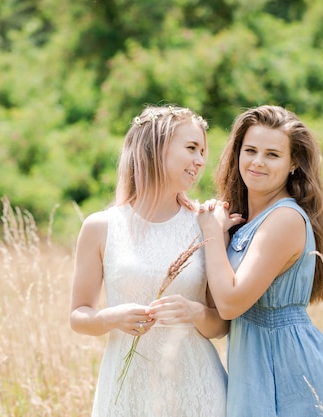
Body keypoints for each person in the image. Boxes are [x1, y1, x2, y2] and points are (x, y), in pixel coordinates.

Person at [197, 105, 323, 416]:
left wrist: (212, 236)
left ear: (293, 163)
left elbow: (230, 304)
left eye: (272, 154)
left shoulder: (284, 218)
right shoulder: (245, 222)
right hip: (255, 373)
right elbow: (218, 309)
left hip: (294, 378)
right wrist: (222, 237)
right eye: (250, 150)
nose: (257, 162)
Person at [70, 105, 228, 417]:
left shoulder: (206, 223)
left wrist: (194, 311)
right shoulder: (101, 226)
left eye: (203, 151)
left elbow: (220, 325)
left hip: (197, 389)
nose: (200, 160)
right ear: (156, 147)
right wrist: (111, 317)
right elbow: (78, 315)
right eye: (191, 148)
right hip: (126, 390)